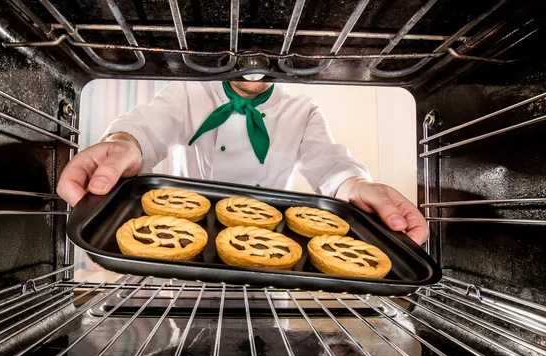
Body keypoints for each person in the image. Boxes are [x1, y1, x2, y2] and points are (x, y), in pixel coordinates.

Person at [57, 80, 428, 245]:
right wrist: (121, 143)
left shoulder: (302, 109)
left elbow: (328, 161)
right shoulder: (187, 90)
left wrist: (358, 185)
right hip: (184, 246)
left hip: (269, 250)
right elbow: (147, 125)